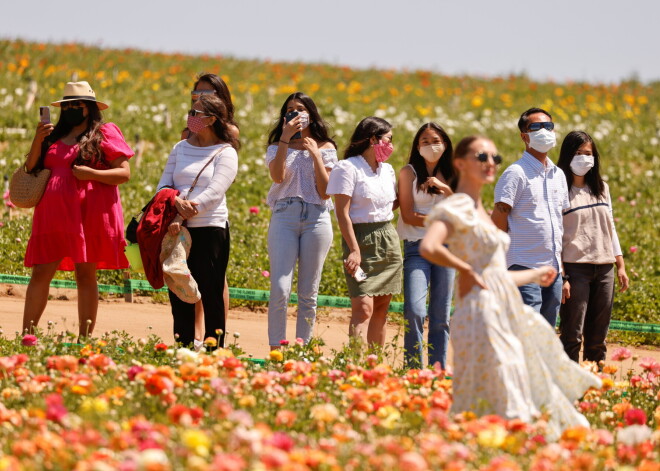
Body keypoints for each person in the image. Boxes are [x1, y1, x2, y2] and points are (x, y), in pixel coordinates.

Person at [420, 135, 601, 440]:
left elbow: (495, 276)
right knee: (500, 382)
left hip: (500, 306)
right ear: (460, 164)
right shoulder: (459, 205)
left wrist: (533, 275)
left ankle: (491, 447)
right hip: (479, 311)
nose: (490, 163)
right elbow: (429, 246)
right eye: (481, 157)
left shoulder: (479, 209)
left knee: (510, 380)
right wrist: (464, 267)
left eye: (494, 158)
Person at [22, 81, 133, 337]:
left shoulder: (104, 133)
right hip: (52, 213)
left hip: (88, 214)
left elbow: (124, 173)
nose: (71, 108)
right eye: (68, 105)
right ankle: (27, 336)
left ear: (90, 108)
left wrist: (91, 174)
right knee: (41, 272)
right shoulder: (52, 135)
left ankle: (85, 339)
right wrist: (38, 139)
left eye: (77, 104)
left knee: (85, 274)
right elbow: (31, 168)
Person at [157, 93, 238, 348]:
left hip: (209, 229)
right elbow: (164, 185)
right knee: (180, 289)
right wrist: (173, 202)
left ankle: (214, 350)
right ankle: (183, 347)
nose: (190, 118)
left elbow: (215, 192)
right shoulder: (180, 148)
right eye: (190, 113)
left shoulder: (226, 152)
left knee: (211, 292)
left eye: (196, 114)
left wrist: (181, 213)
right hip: (176, 231)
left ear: (212, 119)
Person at [265, 92, 337, 348]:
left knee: (308, 293)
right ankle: (277, 349)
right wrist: (285, 139)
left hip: (316, 217)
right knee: (280, 289)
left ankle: (302, 350)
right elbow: (277, 177)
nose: (295, 113)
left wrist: (316, 155)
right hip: (284, 214)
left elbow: (325, 191)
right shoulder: (276, 145)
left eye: (301, 109)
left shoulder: (326, 147)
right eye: (290, 109)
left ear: (311, 113)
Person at [327, 117, 402, 347]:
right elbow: (342, 213)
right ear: (373, 139)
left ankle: (375, 364)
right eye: (388, 139)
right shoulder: (347, 167)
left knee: (381, 309)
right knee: (363, 308)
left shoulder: (387, 170)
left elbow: (388, 206)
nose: (391, 145)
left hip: (388, 241)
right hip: (359, 241)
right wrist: (354, 250)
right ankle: (355, 365)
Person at [556, 131, 629, 364]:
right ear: (567, 155)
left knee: (598, 336)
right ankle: (569, 385)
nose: (583, 158)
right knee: (572, 334)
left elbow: (610, 227)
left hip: (605, 266)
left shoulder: (601, 188)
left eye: (588, 154)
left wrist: (620, 264)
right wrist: (563, 275)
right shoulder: (559, 190)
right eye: (578, 153)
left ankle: (595, 386)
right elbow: (555, 236)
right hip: (576, 268)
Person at [492, 108, 568, 327]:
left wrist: (563, 272)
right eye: (536, 127)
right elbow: (499, 219)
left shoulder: (558, 174)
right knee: (525, 329)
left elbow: (558, 223)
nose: (544, 131)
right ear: (524, 136)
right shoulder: (516, 173)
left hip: (552, 268)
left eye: (548, 126)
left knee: (546, 331)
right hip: (523, 266)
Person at [397, 123, 455, 369]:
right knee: (415, 310)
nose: (431, 146)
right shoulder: (408, 173)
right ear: (417, 146)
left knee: (441, 316)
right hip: (417, 247)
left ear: (445, 143)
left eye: (435, 140)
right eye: (425, 141)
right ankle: (413, 370)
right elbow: (408, 215)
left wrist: (446, 189)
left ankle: (437, 370)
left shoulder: (455, 173)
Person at [189, 74, 238, 349]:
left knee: (216, 279)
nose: (200, 98)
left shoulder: (228, 130)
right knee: (190, 274)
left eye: (206, 94)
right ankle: (195, 333)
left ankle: (216, 334)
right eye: (196, 94)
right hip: (187, 210)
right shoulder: (190, 126)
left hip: (210, 212)